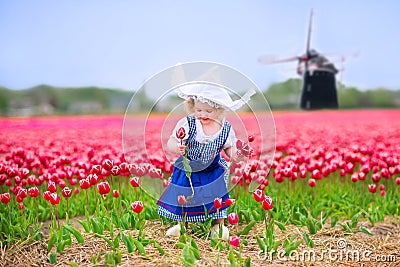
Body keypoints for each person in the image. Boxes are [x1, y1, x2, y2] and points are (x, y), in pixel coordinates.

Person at [157, 83, 255, 240]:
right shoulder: (188, 124)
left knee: (218, 196)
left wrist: (238, 155)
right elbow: (171, 141)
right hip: (190, 167)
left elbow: (229, 150)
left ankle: (218, 225)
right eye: (198, 110)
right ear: (192, 107)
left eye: (209, 111)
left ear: (219, 110)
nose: (203, 114)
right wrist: (178, 147)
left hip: (212, 169)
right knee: (185, 194)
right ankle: (182, 225)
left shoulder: (225, 129)